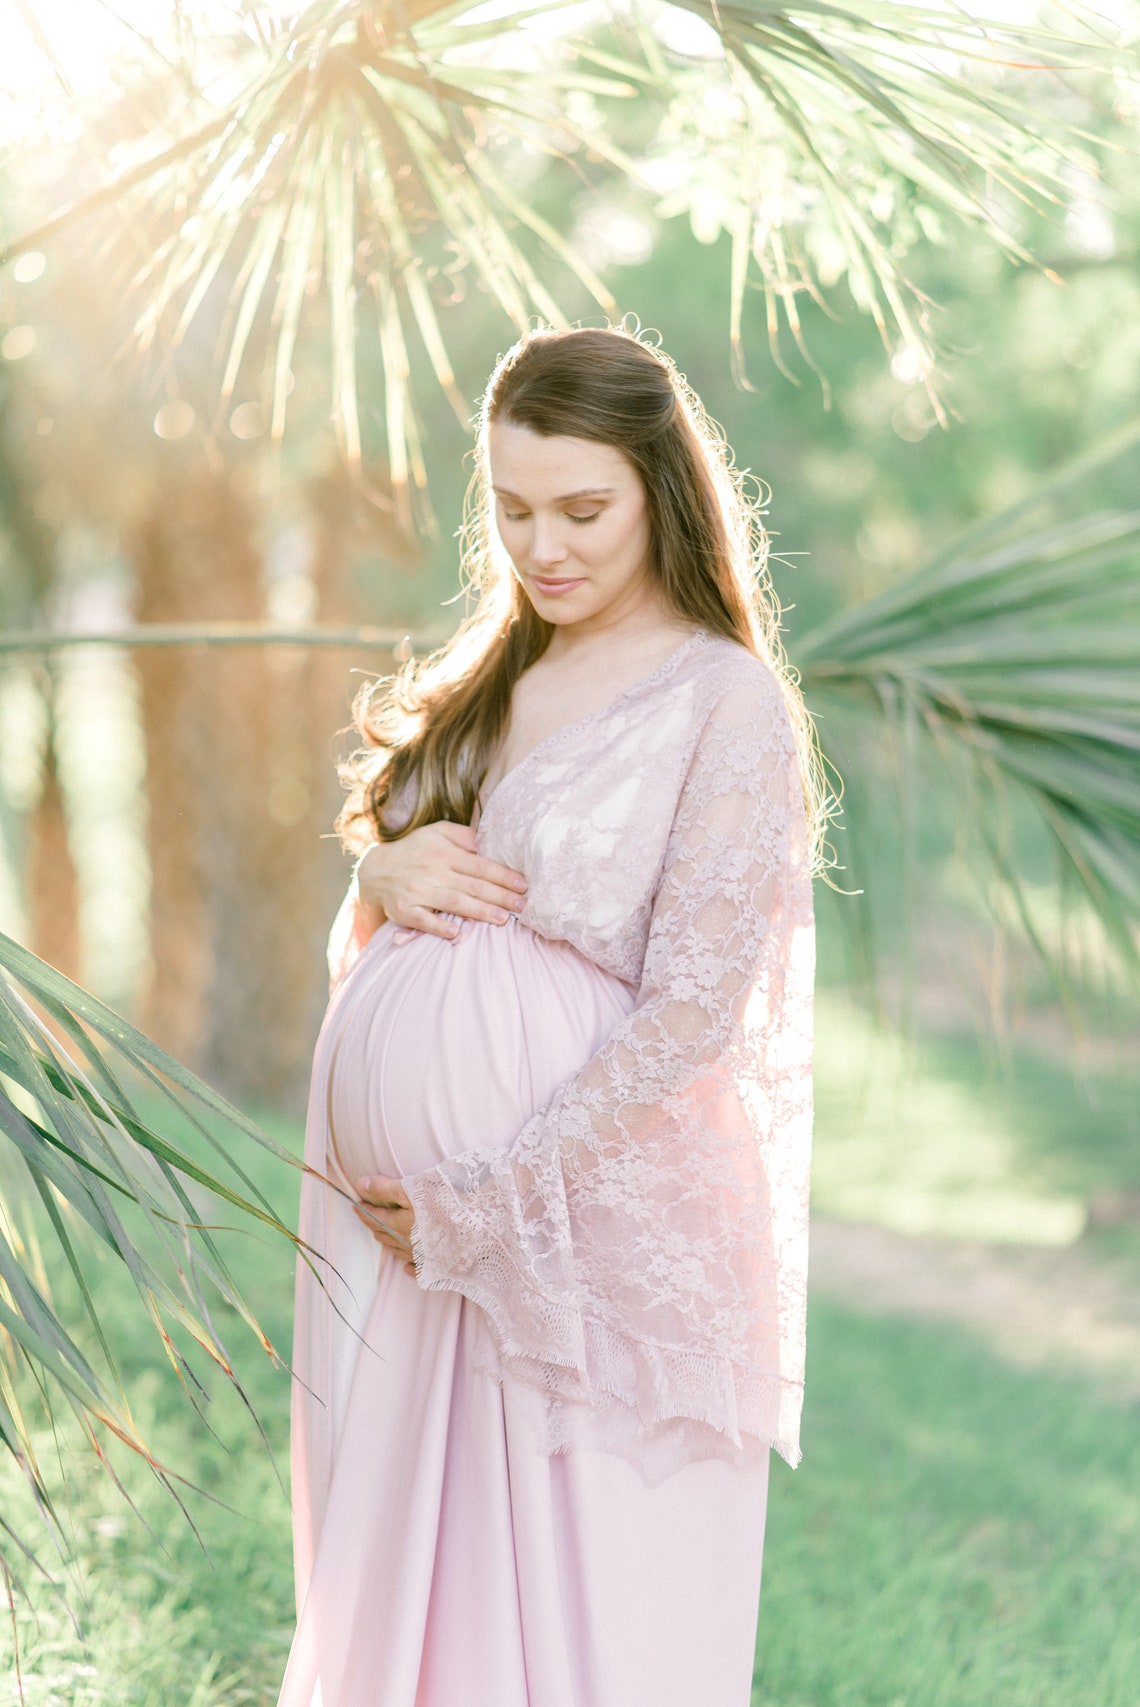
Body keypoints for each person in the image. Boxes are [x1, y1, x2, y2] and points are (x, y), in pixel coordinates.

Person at [276, 325, 821, 1707]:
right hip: (399, 1226)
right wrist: (378, 873)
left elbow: (698, 1004)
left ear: (663, 490)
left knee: (580, 1625)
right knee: (397, 1593)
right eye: (513, 510)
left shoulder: (724, 702)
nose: (543, 546)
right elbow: (402, 892)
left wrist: (494, 1198)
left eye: (584, 510)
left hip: (577, 1225)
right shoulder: (493, 680)